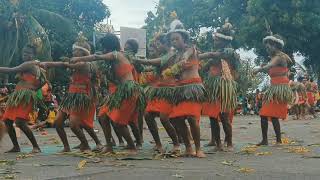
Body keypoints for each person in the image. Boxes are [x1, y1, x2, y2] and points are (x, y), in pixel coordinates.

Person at [71, 33, 146, 155]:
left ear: (109, 46)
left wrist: (79, 58)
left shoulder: (116, 54)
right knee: (102, 116)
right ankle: (109, 145)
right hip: (119, 91)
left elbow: (96, 57)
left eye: (104, 47)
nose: (103, 49)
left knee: (118, 122)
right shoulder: (111, 58)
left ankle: (132, 146)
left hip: (128, 90)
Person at [41, 33, 103, 152]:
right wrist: (47, 64)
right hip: (70, 96)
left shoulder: (85, 64)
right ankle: (66, 146)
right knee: (58, 122)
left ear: (83, 53)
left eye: (76, 51)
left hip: (82, 96)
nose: (73, 53)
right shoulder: (74, 62)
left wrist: (54, 64)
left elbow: (70, 65)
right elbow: (62, 64)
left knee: (75, 124)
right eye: (73, 51)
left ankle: (89, 144)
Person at [162, 18, 206, 158]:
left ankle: (198, 148)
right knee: (176, 118)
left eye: (176, 39)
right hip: (180, 89)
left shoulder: (191, 49)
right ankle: (188, 147)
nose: (174, 42)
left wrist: (179, 64)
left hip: (193, 88)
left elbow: (185, 58)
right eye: (172, 40)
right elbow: (174, 71)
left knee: (192, 118)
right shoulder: (174, 56)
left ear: (184, 38)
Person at [135, 33, 180, 153]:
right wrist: (138, 66)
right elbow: (150, 68)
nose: (157, 47)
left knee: (164, 118)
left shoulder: (171, 55)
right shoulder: (163, 55)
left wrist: (138, 59)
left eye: (159, 44)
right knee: (147, 115)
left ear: (166, 44)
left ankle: (176, 144)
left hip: (169, 90)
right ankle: (158, 144)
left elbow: (159, 62)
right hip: (158, 91)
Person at [200, 20, 240, 151]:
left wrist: (196, 55)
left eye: (217, 40)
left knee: (223, 116)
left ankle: (229, 143)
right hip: (212, 87)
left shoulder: (228, 52)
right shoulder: (215, 55)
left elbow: (212, 55)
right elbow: (205, 68)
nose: (215, 42)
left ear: (224, 41)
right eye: (215, 39)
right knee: (212, 116)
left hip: (224, 86)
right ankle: (217, 143)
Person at [0, 44, 45, 153]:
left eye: (28, 53)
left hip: (25, 97)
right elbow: (43, 81)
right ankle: (16, 147)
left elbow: (11, 70)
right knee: (7, 121)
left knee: (20, 122)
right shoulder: (34, 65)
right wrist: (33, 88)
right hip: (18, 96)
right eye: (24, 53)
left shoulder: (30, 64)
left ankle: (36, 147)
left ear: (34, 55)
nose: (25, 55)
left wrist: (31, 90)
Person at [253, 33, 293, 146]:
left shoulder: (279, 57)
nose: (267, 49)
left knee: (265, 114)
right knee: (272, 115)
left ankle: (271, 140)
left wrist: (258, 69)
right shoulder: (277, 57)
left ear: (276, 45)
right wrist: (264, 67)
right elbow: (272, 69)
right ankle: (275, 140)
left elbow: (270, 66)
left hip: (279, 88)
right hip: (274, 87)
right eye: (266, 47)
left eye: (269, 46)